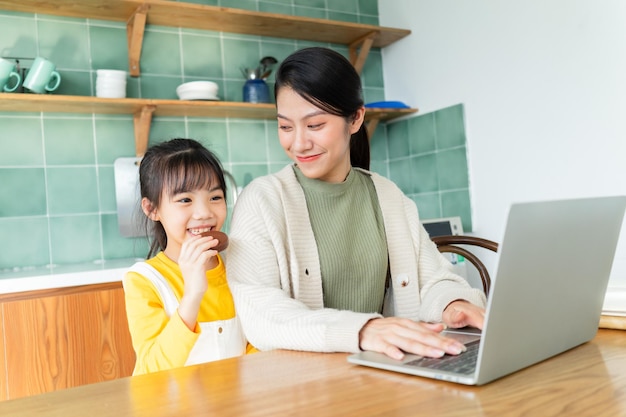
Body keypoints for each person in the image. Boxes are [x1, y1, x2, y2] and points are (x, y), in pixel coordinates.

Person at [226, 47, 487, 361]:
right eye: (285, 126)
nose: (298, 143)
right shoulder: (262, 201)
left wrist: (452, 305)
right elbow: (261, 313)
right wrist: (363, 330)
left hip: (382, 374)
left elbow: (434, 279)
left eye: (315, 125)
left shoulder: (388, 196)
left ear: (355, 119)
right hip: (300, 390)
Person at [123, 138, 255, 376]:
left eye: (215, 197)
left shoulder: (238, 266)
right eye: (185, 200)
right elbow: (151, 371)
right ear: (151, 209)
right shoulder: (144, 281)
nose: (204, 213)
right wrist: (193, 294)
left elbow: (256, 345)